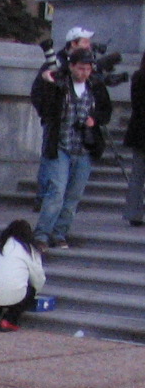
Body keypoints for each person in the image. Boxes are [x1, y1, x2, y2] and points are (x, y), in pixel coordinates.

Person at [31, 49, 112, 250]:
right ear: (72, 66)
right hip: (60, 145)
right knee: (56, 191)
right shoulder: (61, 84)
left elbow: (106, 110)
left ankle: (60, 233)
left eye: (88, 69)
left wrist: (95, 120)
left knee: (73, 195)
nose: (85, 73)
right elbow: (44, 106)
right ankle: (42, 234)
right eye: (81, 68)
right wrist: (47, 83)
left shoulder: (95, 85)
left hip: (84, 147)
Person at [123, 51, 145, 228]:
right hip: (140, 131)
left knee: (137, 175)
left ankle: (134, 213)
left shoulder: (138, 76)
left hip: (139, 132)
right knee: (137, 175)